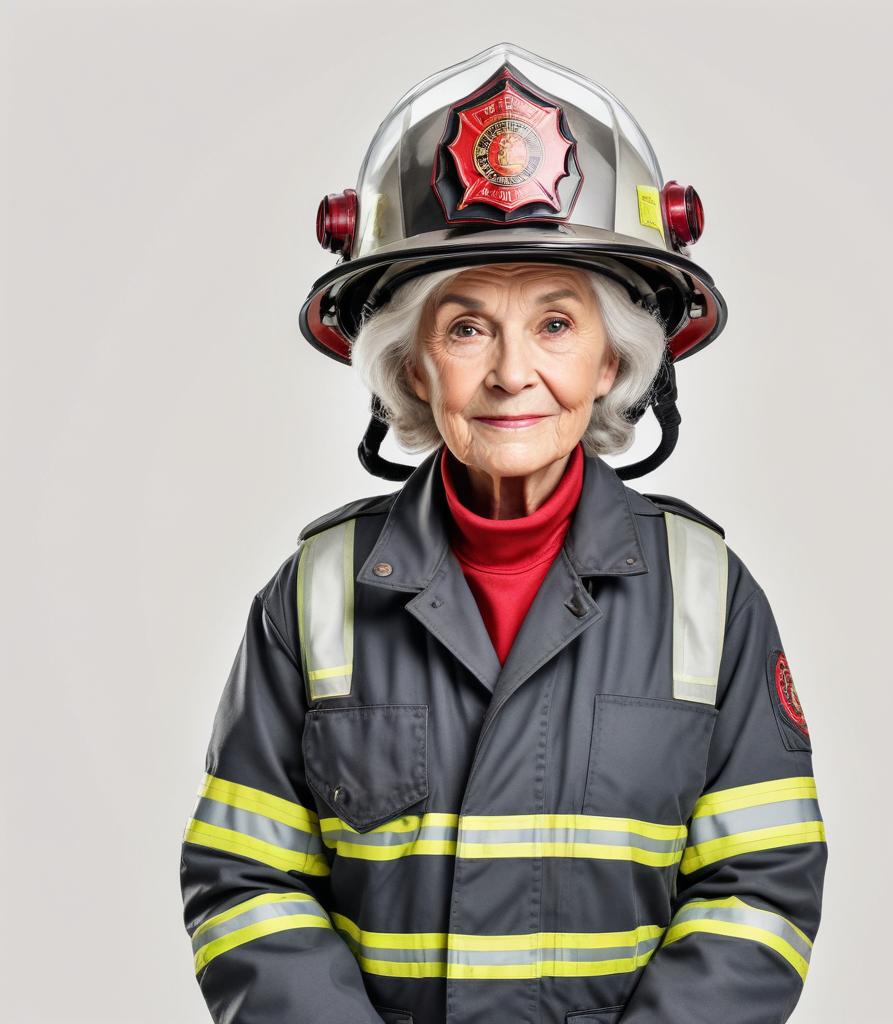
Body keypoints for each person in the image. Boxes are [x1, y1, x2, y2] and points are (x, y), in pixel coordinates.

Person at [179, 42, 828, 1024]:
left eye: (557, 325)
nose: (511, 372)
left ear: (616, 361)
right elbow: (245, 887)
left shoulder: (709, 595)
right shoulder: (313, 598)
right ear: (410, 368)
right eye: (467, 326)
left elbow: (760, 892)